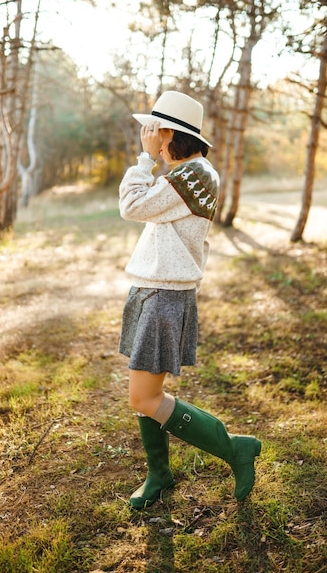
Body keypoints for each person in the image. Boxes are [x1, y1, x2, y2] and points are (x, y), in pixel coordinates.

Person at [118, 90, 261, 510]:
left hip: (165, 295)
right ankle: (159, 474)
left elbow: (131, 205)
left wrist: (144, 160)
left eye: (154, 131)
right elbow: (147, 211)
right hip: (151, 291)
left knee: (144, 398)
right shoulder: (183, 174)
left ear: (169, 133)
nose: (150, 137)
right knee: (143, 394)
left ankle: (234, 447)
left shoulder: (194, 175)